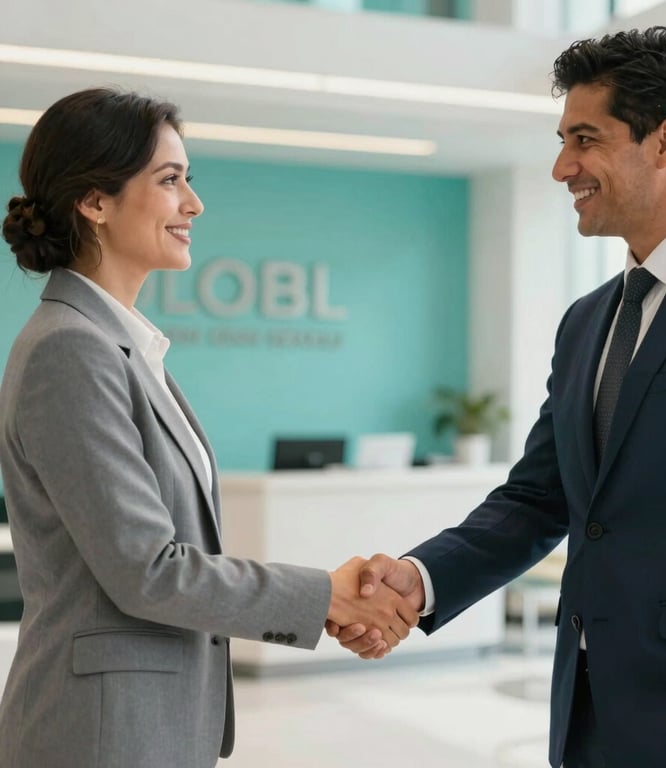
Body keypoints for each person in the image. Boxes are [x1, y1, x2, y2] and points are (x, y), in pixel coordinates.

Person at [328, 26, 666, 768]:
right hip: (587, 717)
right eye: (563, 141)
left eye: (585, 140)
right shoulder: (586, 321)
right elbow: (538, 499)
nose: (563, 167)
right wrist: (419, 580)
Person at [0, 87, 416, 768]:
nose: (193, 204)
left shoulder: (119, 346)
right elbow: (147, 570)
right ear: (95, 201)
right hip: (100, 734)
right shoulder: (70, 349)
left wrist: (335, 604)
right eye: (170, 180)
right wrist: (327, 597)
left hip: (142, 724)